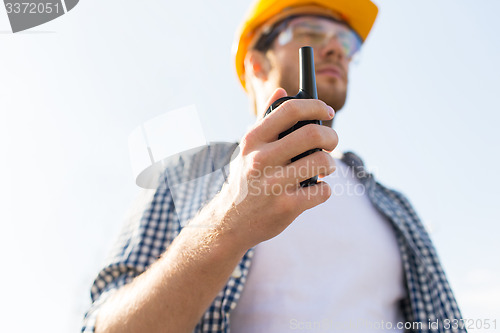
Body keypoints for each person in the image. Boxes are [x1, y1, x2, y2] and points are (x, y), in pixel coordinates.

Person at [82, 0, 466, 332]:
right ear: (256, 64)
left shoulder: (396, 207)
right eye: (312, 32)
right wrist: (227, 223)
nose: (335, 49)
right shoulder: (186, 174)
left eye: (345, 41)